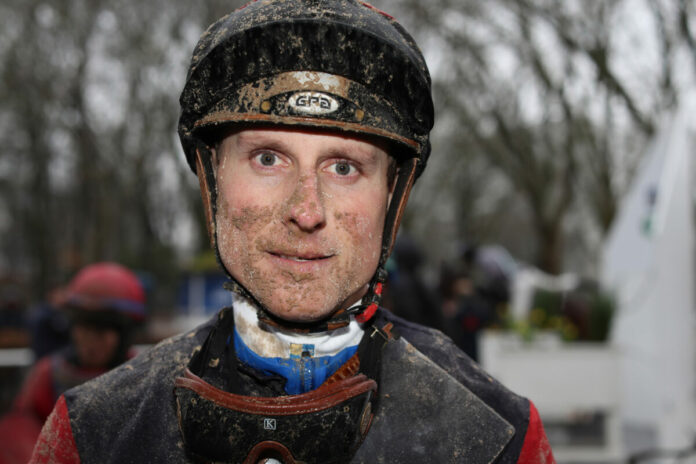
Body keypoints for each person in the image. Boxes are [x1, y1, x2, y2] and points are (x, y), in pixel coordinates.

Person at [31, 1, 554, 462]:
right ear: (211, 179)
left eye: (344, 167)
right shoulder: (95, 431)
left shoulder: (496, 437)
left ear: (394, 196)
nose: (306, 211)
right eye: (267, 158)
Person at [0, 262, 144, 464]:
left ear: (125, 334)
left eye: (102, 331)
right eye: (84, 328)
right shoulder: (49, 373)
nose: (90, 340)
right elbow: (22, 431)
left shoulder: (144, 376)